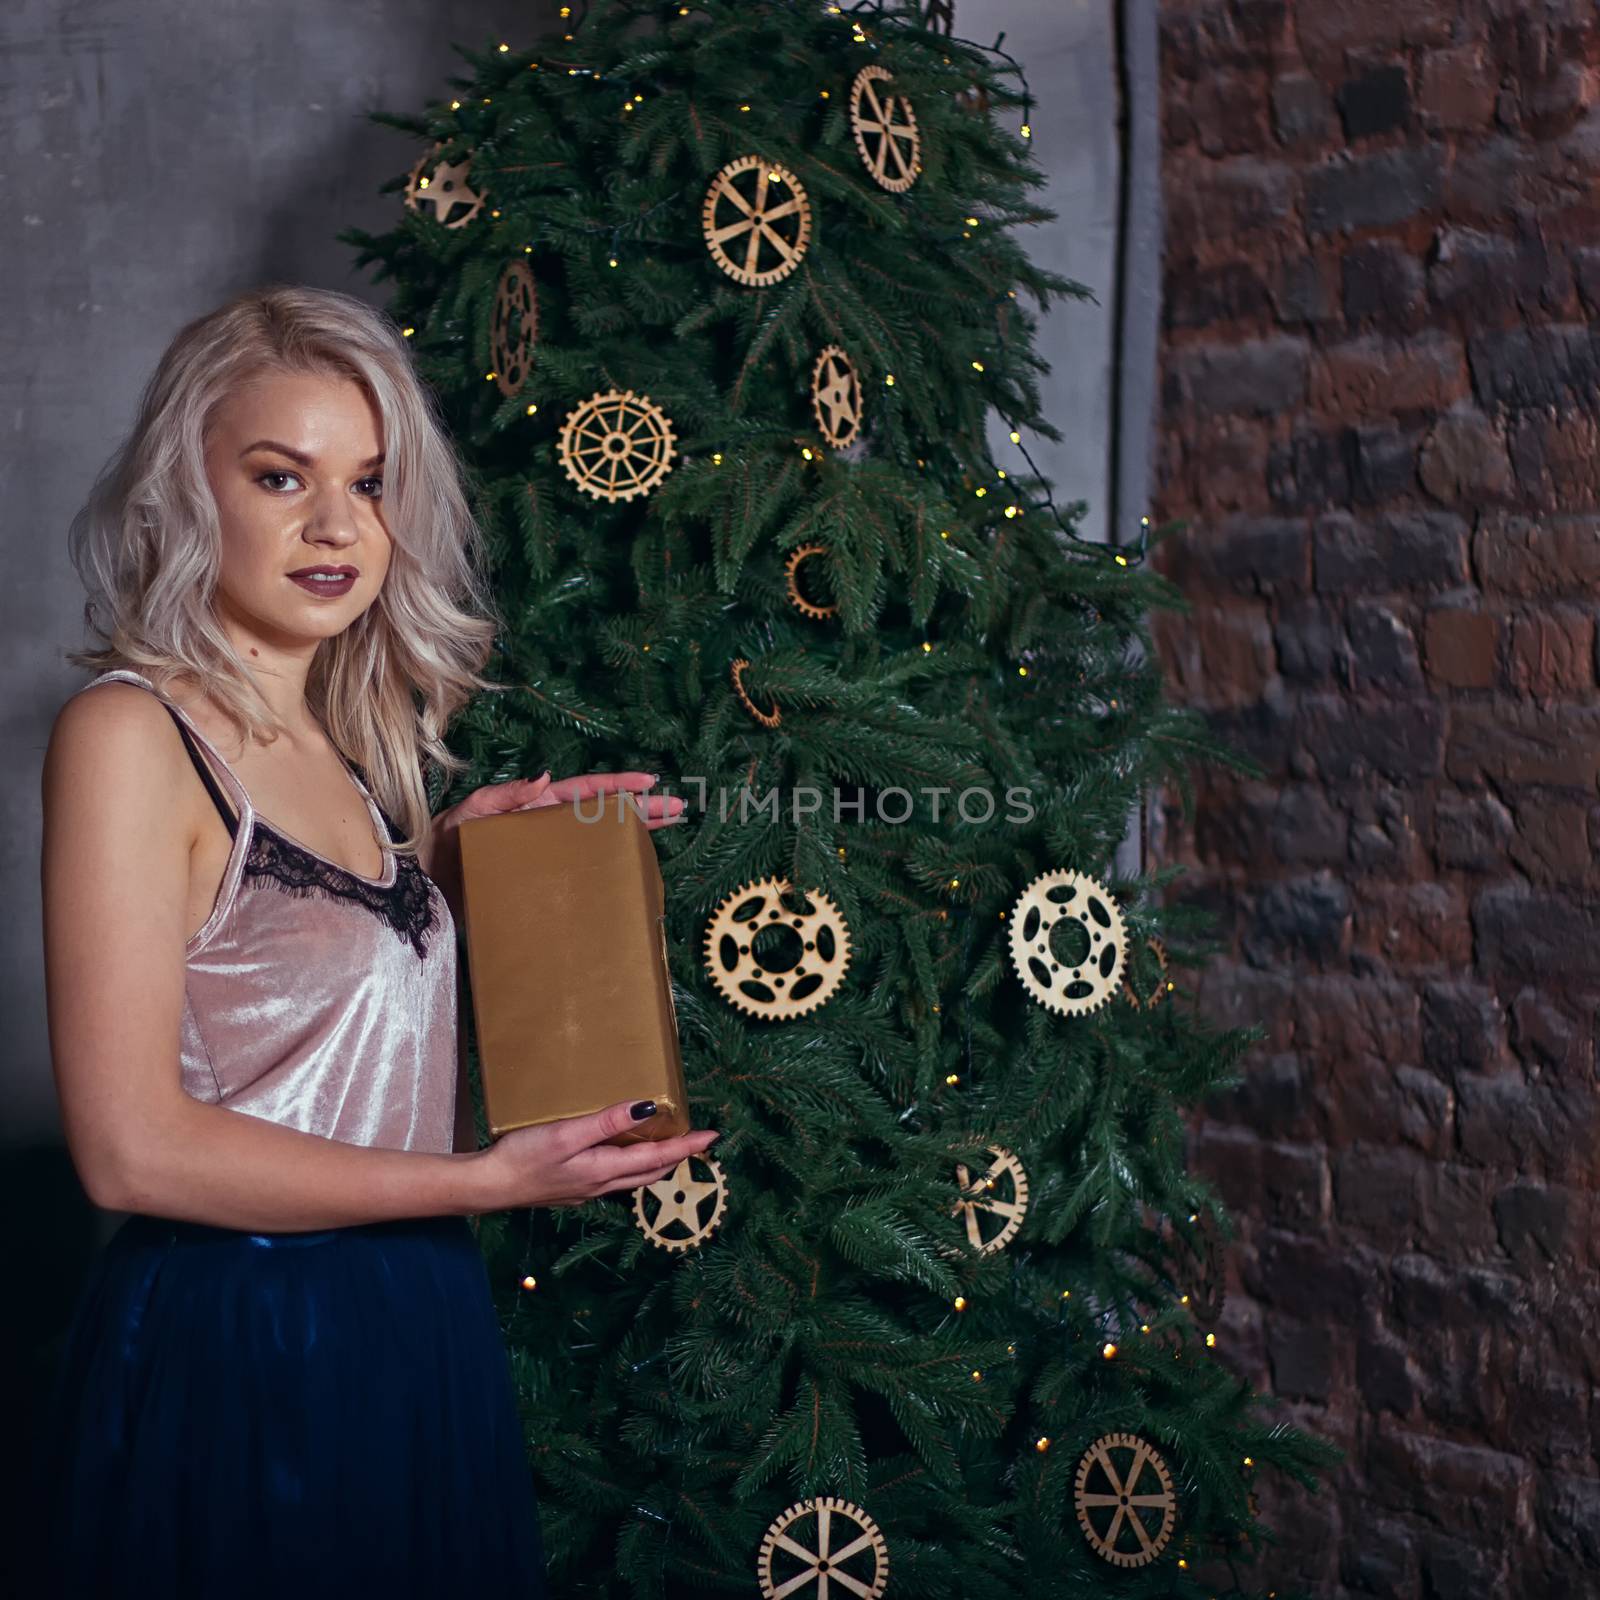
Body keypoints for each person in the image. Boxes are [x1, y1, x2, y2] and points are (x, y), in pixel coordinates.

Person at [33, 282, 719, 1599]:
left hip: (413, 1319)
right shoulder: (130, 734)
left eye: (371, 481)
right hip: (243, 1338)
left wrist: (451, 872)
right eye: (283, 476)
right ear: (189, 492)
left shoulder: (347, 761)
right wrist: (487, 1185)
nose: (338, 524)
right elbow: (128, 1150)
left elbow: (287, 998)